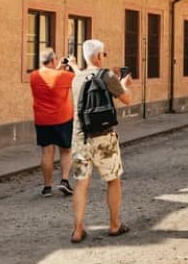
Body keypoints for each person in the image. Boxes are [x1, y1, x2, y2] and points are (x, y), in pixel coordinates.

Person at [69, 38, 132, 243]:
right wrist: (123, 84)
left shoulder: (76, 79)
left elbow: (83, 76)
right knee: (113, 180)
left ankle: (78, 230)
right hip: (104, 136)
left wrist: (73, 66)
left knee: (81, 184)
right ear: (98, 56)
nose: (104, 57)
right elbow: (127, 99)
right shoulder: (107, 76)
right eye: (103, 54)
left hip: (80, 137)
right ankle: (114, 224)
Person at [29, 47, 76, 197]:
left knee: (47, 152)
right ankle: (64, 181)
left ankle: (47, 187)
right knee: (65, 150)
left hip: (42, 119)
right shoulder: (64, 76)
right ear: (52, 60)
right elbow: (77, 79)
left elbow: (49, 77)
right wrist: (71, 65)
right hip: (62, 118)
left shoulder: (34, 76)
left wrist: (57, 68)